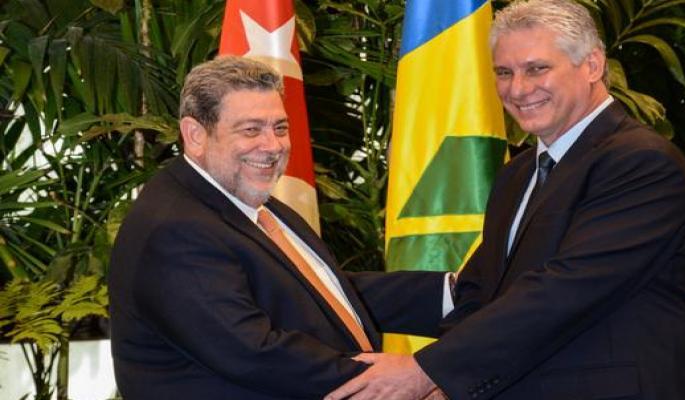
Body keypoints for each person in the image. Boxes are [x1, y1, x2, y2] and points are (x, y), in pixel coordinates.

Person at [326, 0, 685, 399]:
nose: (518, 89)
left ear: (593, 65)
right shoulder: (519, 174)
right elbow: (475, 293)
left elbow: (564, 293)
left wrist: (427, 371)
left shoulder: (641, 163)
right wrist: (315, 287)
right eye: (504, 72)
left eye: (537, 69)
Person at [108, 56, 445, 399]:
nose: (272, 146)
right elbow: (254, 353)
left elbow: (316, 292)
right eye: (251, 130)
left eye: (280, 128)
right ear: (195, 135)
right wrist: (410, 382)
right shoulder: (175, 229)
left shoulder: (241, 198)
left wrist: (449, 294)